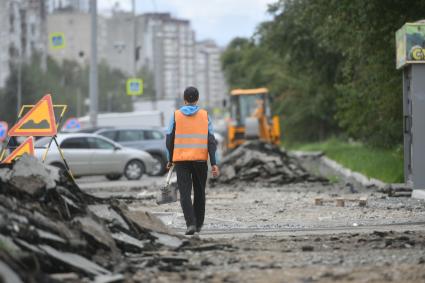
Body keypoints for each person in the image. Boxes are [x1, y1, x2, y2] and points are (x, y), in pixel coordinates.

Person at [165, 86, 220, 235]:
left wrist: (170, 159)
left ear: (184, 99)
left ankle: (190, 224)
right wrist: (214, 163)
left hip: (181, 160)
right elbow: (211, 140)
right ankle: (199, 224)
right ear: (197, 99)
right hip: (200, 160)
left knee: (184, 193)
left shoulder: (176, 115)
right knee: (200, 192)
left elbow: (169, 139)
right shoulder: (205, 115)